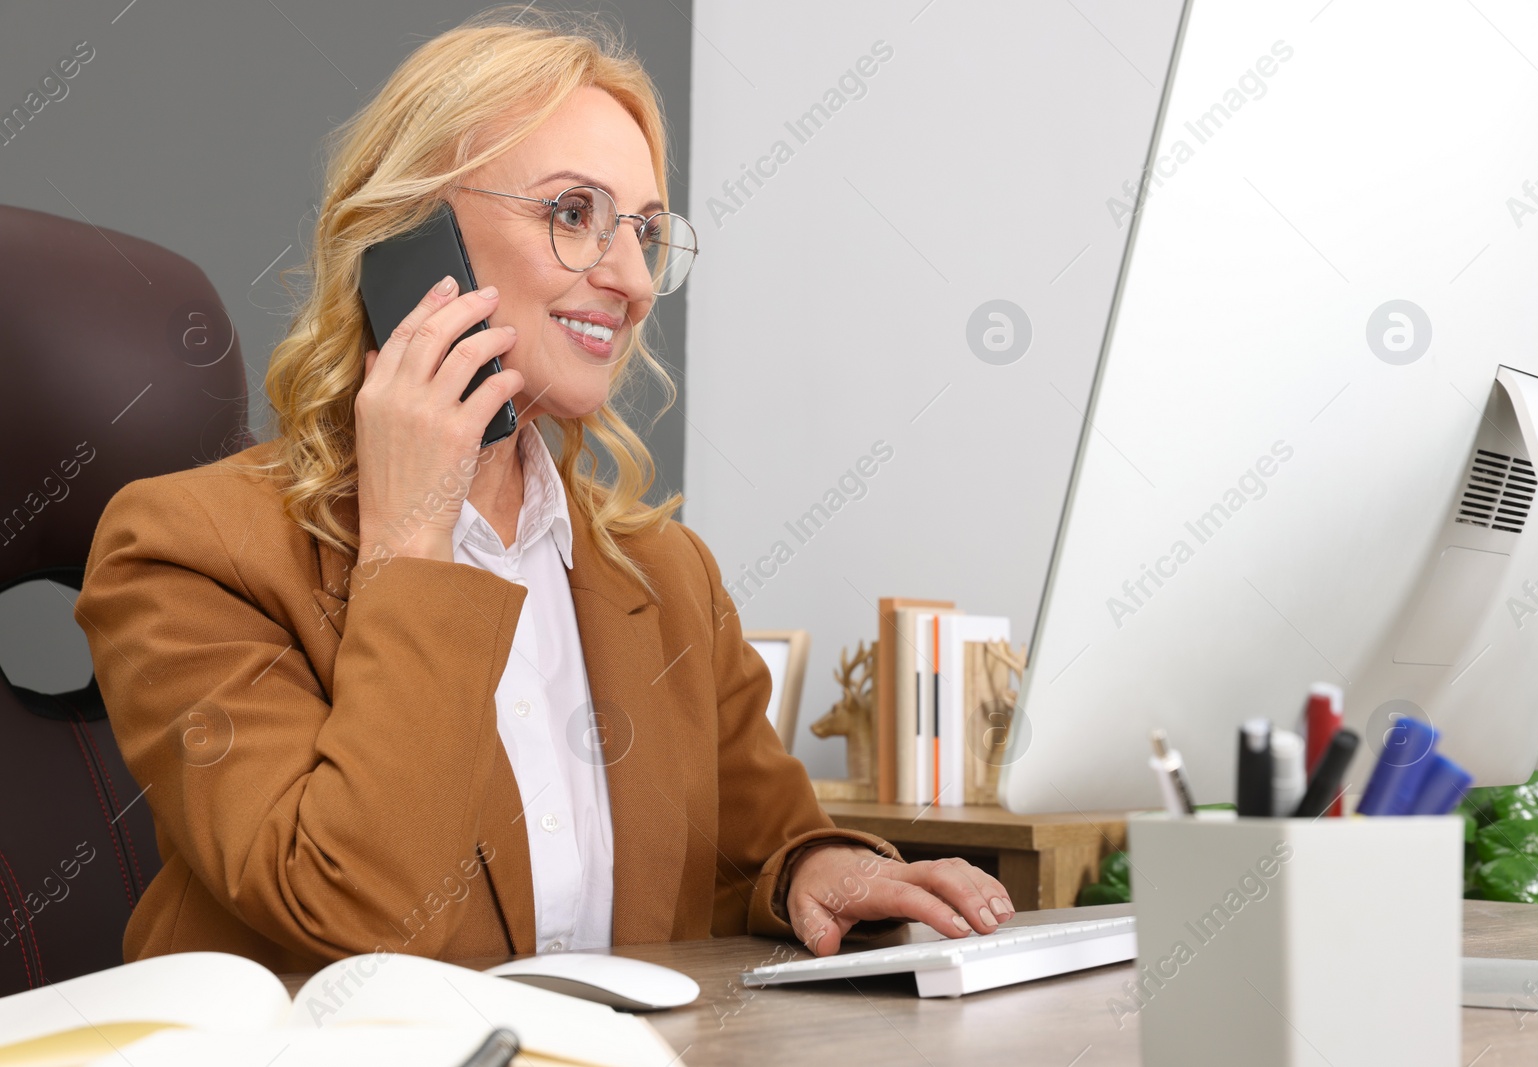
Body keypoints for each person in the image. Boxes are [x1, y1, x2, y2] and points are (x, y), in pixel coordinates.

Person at [73, 7, 1014, 975]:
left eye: (646, 232)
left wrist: (811, 866)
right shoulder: (186, 552)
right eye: (574, 214)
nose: (634, 281)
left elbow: (754, 841)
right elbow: (363, 916)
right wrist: (409, 540)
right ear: (413, 239)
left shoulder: (667, 574)